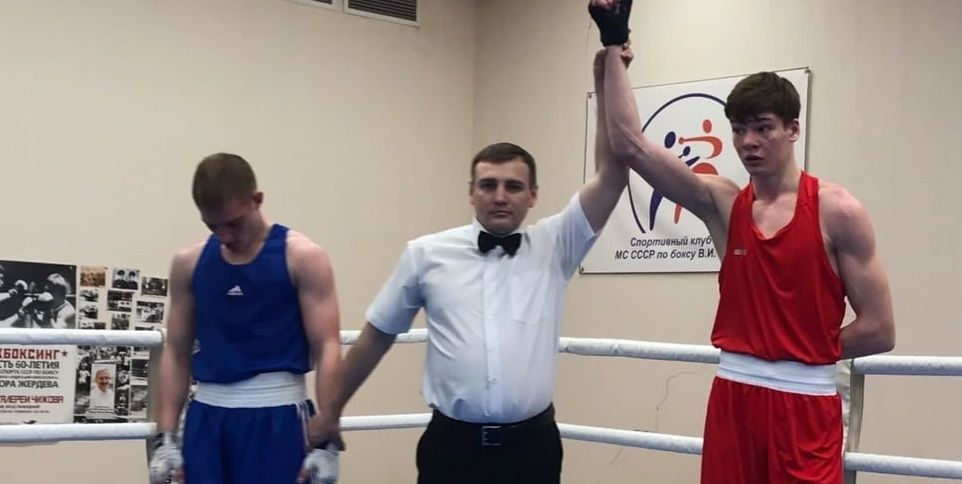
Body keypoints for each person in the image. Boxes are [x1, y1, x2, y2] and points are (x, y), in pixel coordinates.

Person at [589, 1, 897, 481]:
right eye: (739, 130)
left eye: (763, 128)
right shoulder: (722, 204)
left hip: (806, 405)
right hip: (733, 399)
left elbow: (879, 330)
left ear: (792, 129)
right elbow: (631, 146)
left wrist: (798, 352)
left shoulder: (839, 211)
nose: (749, 141)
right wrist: (613, 46)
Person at [303, 54, 630, 484]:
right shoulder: (425, 254)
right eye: (488, 185)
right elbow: (376, 336)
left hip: (531, 448)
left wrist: (605, 80)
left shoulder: (556, 244)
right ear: (471, 192)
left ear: (533, 195)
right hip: (451, 448)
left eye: (513, 186)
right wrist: (331, 412)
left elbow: (612, 175)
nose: (500, 196)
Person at [148, 153, 343, 484]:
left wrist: (327, 439)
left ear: (257, 200)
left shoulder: (303, 257)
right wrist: (165, 440)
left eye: (234, 223)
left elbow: (328, 347)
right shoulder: (189, 263)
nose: (225, 236)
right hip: (206, 419)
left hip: (277, 419)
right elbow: (177, 351)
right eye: (213, 226)